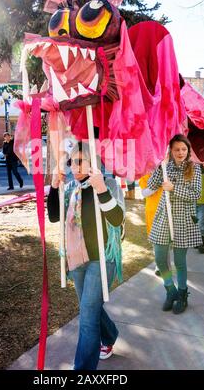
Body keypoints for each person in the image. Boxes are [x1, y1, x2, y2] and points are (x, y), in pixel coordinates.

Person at [47, 142, 125, 370]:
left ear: (94, 162)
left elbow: (117, 219)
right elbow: (54, 216)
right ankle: (110, 335)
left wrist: (101, 189)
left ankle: (82, 370)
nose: (74, 166)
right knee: (89, 307)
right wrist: (53, 186)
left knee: (88, 316)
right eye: (72, 161)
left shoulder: (108, 183)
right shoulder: (71, 187)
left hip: (102, 258)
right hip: (76, 258)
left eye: (80, 161)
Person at [148, 134, 202, 314]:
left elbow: (195, 195)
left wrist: (174, 188)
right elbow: (151, 184)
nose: (180, 153)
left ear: (188, 151)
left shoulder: (194, 169)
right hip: (164, 217)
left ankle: (182, 294)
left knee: (179, 262)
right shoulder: (165, 166)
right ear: (171, 150)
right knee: (160, 258)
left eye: (184, 149)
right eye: (177, 149)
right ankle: (170, 290)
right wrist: (159, 166)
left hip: (183, 219)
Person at [139, 174, 164, 276]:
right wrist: (157, 184)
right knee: (156, 240)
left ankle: (164, 264)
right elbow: (144, 193)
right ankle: (159, 264)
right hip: (152, 211)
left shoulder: (166, 171)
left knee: (165, 239)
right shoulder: (145, 175)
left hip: (165, 209)